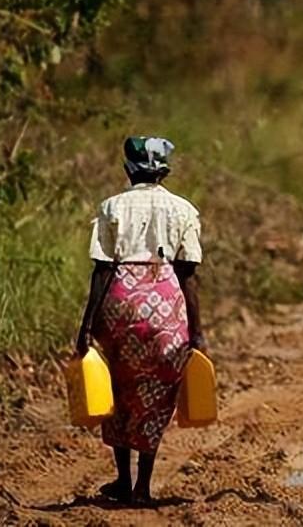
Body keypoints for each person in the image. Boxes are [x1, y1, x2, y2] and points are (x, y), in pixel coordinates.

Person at [75, 136, 207, 506]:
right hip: (165, 304)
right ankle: (143, 488)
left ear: (127, 169)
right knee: (156, 391)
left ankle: (121, 478)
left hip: (120, 302)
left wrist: (86, 327)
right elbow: (188, 274)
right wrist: (197, 332)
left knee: (117, 387)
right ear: (165, 171)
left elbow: (101, 271)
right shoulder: (183, 210)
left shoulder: (111, 207)